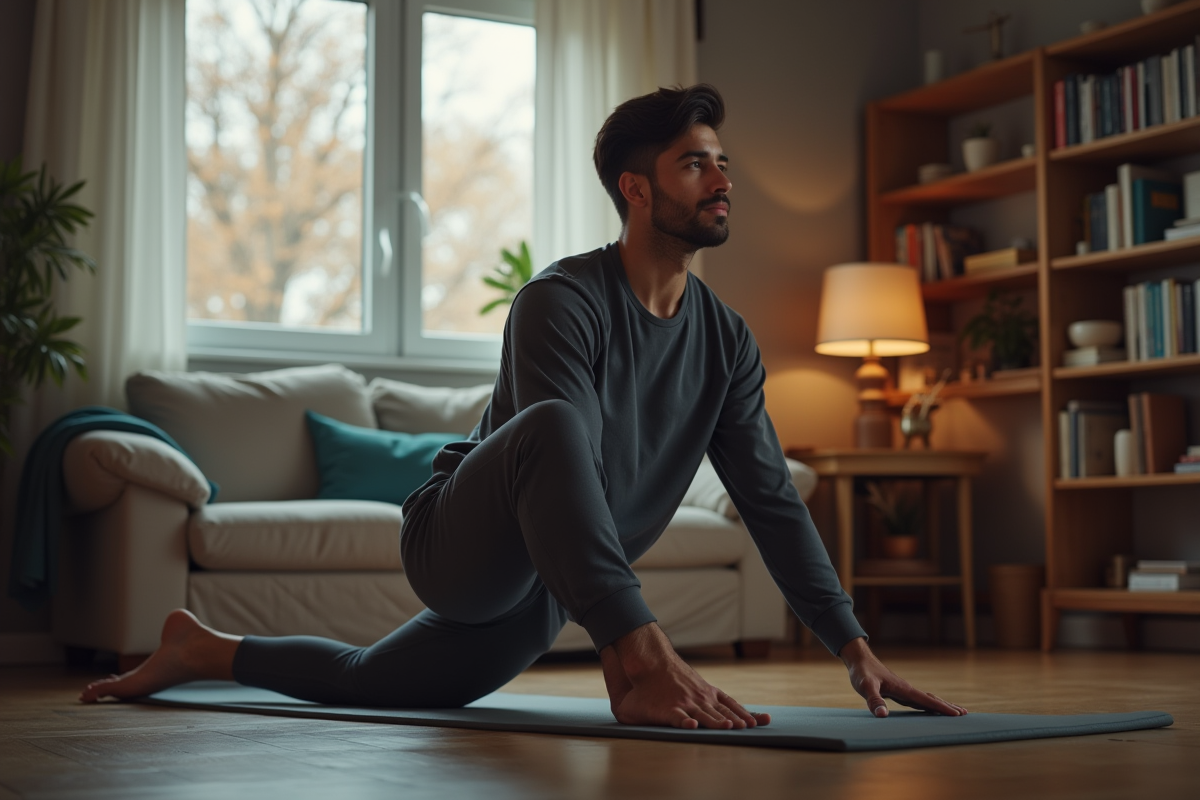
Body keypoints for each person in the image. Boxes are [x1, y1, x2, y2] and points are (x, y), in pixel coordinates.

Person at [81, 84, 966, 729]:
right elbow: (555, 452)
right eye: (694, 163)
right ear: (637, 189)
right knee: (552, 424)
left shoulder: (726, 340)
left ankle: (200, 648)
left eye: (723, 162)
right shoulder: (561, 300)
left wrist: (853, 644)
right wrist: (638, 644)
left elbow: (770, 497)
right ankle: (639, 660)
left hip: (553, 580)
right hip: (459, 543)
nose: (720, 179)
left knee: (369, 683)